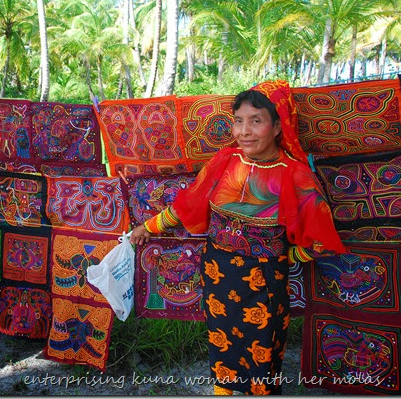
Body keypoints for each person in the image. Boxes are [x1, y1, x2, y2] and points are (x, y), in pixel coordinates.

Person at [129, 80, 345, 395]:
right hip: (218, 274)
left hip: (264, 283)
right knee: (222, 344)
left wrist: (284, 257)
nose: (244, 131)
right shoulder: (226, 161)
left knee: (262, 353)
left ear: (277, 127)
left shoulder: (295, 175)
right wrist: (148, 227)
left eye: (256, 121)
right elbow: (188, 204)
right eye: (238, 121)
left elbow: (322, 240)